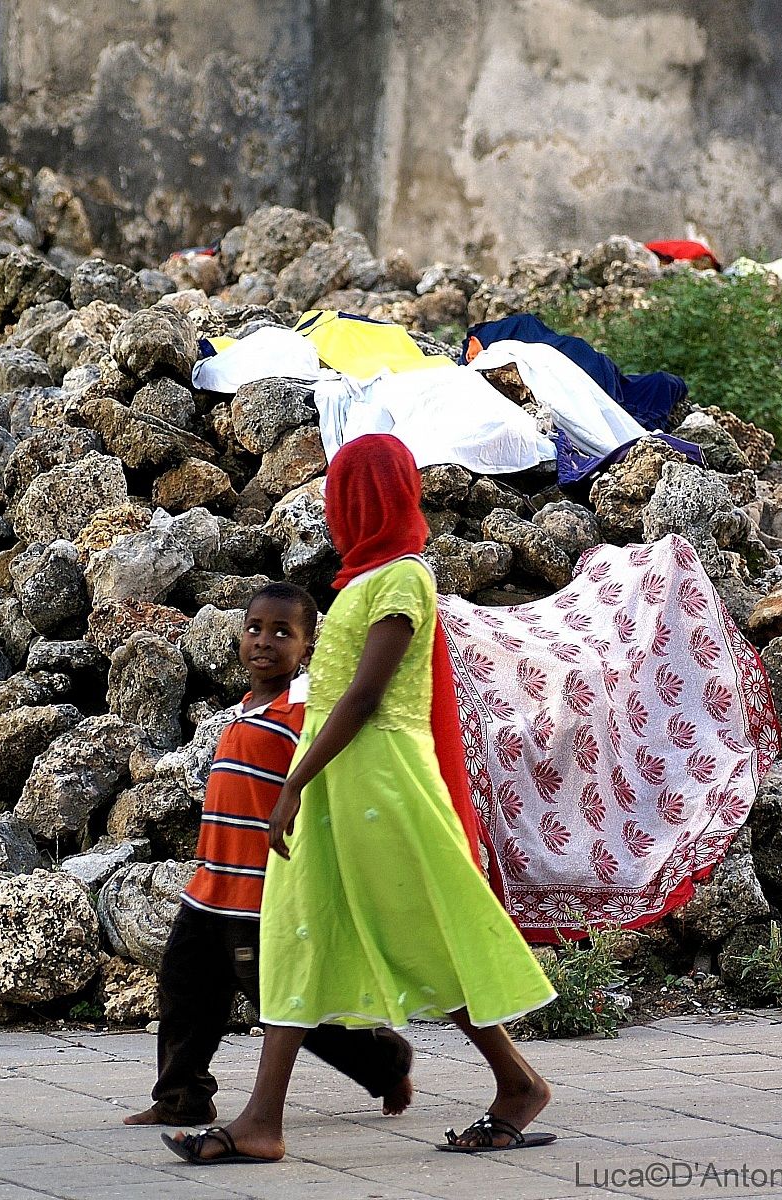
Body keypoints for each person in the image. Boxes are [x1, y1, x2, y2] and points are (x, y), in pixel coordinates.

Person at [164, 435, 557, 1165]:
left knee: (421, 935)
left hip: (379, 782)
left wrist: (293, 783)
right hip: (341, 782)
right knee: (298, 929)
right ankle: (261, 1121)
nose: (332, 508)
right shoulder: (363, 580)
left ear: (363, 498)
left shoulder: (403, 578)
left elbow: (365, 696)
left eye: (341, 493)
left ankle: (517, 1081)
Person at [126, 581, 413, 1128]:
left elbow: (335, 770)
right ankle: (181, 1095)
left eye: (283, 632)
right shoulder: (245, 706)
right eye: (255, 628)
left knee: (279, 1003)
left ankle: (384, 1062)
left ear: (307, 647)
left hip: (262, 889)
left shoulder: (304, 710)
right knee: (185, 988)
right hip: (210, 884)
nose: (264, 641)